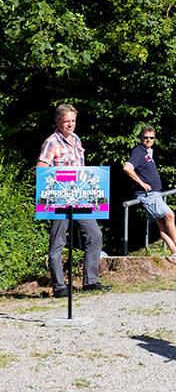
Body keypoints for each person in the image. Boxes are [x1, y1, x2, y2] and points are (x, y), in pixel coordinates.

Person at [37, 104, 107, 297]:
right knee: (58, 241)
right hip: (60, 199)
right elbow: (41, 169)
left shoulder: (76, 139)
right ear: (58, 121)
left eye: (73, 121)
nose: (70, 124)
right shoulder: (51, 142)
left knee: (95, 235)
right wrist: (60, 179)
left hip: (81, 197)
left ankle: (90, 281)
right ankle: (59, 286)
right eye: (66, 121)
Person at [122, 126, 176, 260]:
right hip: (148, 194)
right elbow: (127, 168)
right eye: (146, 137)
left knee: (162, 223)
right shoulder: (138, 152)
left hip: (155, 193)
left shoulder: (148, 152)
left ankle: (175, 251)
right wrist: (141, 183)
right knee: (169, 215)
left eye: (151, 138)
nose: (148, 140)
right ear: (141, 138)